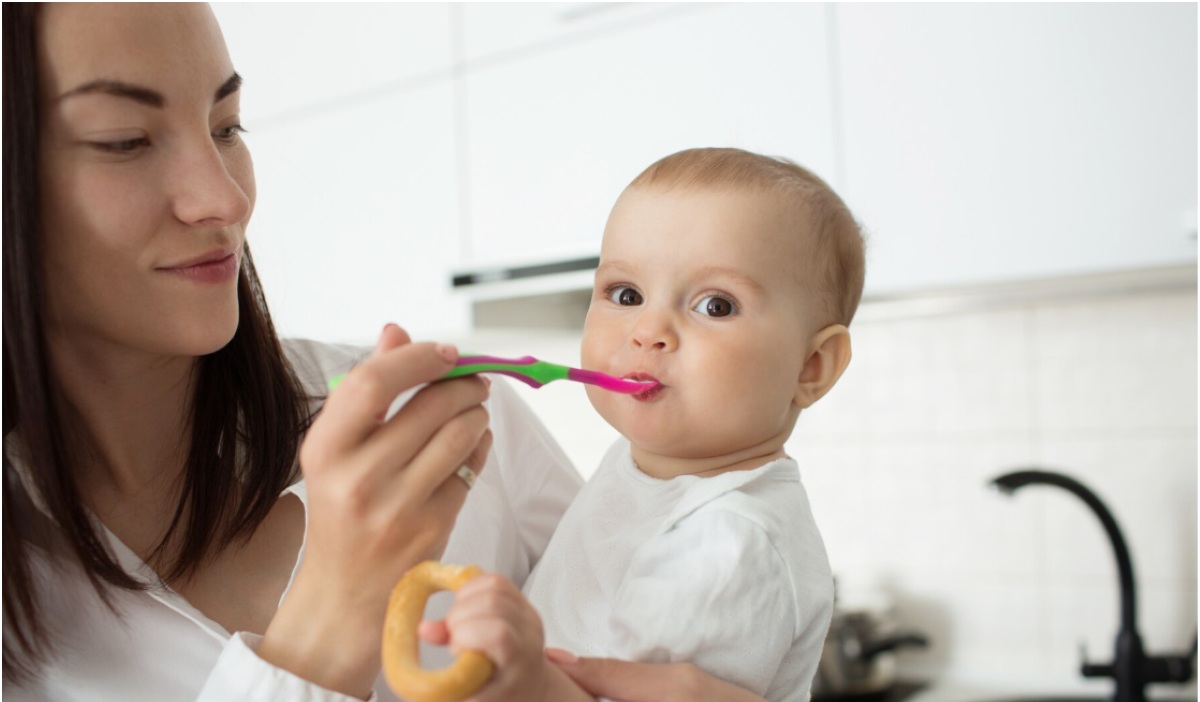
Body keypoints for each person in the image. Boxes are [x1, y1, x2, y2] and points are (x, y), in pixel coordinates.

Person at [1, 5, 770, 701]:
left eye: (227, 125)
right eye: (124, 141)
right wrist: (335, 609)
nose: (224, 200)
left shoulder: (457, 422)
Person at [430, 147, 865, 701]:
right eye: (626, 294)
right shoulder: (643, 467)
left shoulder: (729, 540)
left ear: (811, 366)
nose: (648, 329)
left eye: (715, 306)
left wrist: (525, 679)